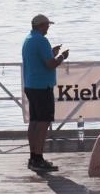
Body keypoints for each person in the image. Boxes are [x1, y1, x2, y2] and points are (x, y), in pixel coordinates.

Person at [22, 13, 68, 172]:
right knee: (43, 123)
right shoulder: (41, 40)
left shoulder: (28, 39)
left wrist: (51, 52)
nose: (48, 28)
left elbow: (41, 59)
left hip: (31, 85)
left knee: (34, 122)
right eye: (47, 25)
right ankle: (38, 158)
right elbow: (50, 64)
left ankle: (33, 157)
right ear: (41, 26)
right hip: (42, 87)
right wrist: (62, 56)